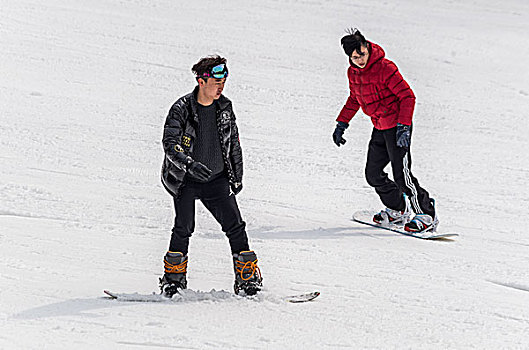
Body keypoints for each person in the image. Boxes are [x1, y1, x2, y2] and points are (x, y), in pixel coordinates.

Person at [159, 55, 262, 297]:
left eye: (224, 82)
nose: (221, 87)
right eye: (217, 82)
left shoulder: (225, 107)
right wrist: (189, 165)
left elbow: (233, 144)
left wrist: (236, 177)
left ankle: (247, 278)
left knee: (235, 226)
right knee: (183, 227)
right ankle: (173, 280)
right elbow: (170, 143)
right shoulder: (181, 109)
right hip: (185, 180)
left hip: (216, 179)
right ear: (201, 81)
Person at [333, 29, 438, 233]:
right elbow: (354, 98)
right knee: (372, 174)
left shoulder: (385, 68)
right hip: (379, 126)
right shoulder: (353, 72)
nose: (360, 60)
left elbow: (408, 96)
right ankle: (397, 209)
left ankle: (426, 213)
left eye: (362, 54)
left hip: (397, 126)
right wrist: (341, 124)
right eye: (355, 57)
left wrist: (404, 127)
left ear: (367, 48)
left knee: (402, 176)